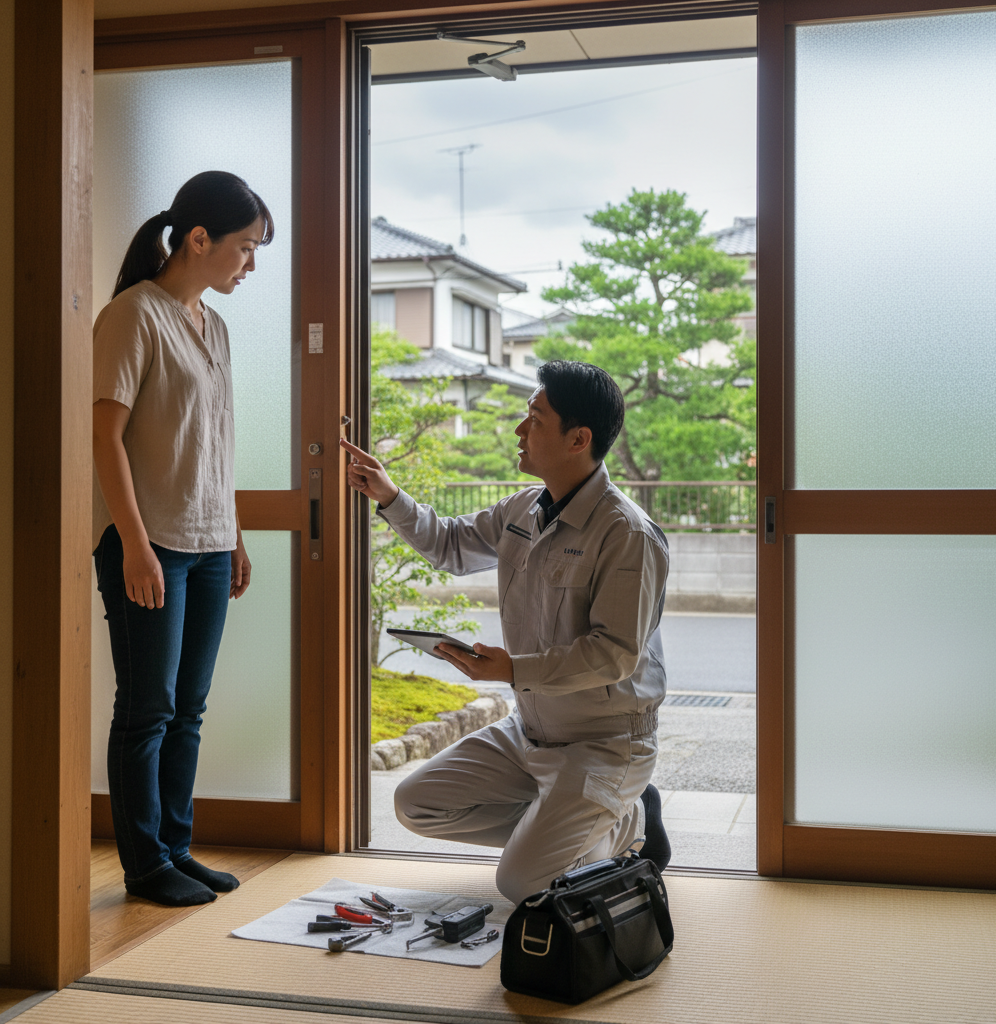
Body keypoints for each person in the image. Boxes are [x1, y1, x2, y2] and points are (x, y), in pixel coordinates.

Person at [342, 361, 672, 904]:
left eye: (535, 419)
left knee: (523, 884)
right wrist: (389, 495)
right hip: (529, 731)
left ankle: (627, 820)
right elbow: (450, 545)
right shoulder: (523, 508)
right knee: (416, 804)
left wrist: (512, 669)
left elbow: (614, 655)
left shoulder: (627, 533)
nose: (520, 430)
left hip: (604, 743)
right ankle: (577, 825)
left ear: (578, 439)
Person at [92, 170, 273, 907]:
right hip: (150, 543)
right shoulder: (132, 315)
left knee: (188, 710)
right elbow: (104, 438)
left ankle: (175, 847)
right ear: (199, 238)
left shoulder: (214, 326)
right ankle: (144, 866)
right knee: (147, 710)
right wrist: (133, 543)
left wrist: (234, 535)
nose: (251, 263)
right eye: (245, 246)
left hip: (207, 544)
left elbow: (215, 444)